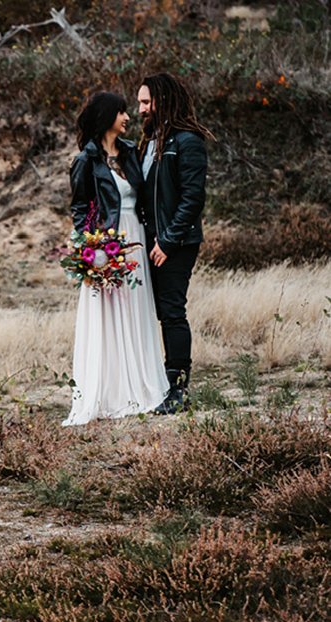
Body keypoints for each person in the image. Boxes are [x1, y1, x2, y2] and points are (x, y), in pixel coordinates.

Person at [63, 91, 168, 427]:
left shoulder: (129, 154)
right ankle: (110, 392)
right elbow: (80, 209)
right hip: (107, 243)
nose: (128, 117)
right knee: (109, 314)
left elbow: (141, 196)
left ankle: (140, 383)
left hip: (135, 237)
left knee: (136, 309)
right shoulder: (85, 160)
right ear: (108, 116)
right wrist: (92, 249)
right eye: (122, 112)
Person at [137, 73, 212, 414]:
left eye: (146, 102)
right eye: (139, 103)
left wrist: (167, 240)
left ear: (163, 101)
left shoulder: (188, 140)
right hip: (149, 241)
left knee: (171, 312)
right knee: (149, 313)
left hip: (176, 243)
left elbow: (193, 198)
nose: (141, 109)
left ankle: (178, 391)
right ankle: (153, 383)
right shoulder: (148, 142)